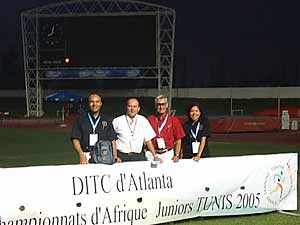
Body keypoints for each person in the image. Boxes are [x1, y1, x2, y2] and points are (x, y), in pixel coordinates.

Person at [71, 93, 119, 164]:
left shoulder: (107, 119)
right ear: (88, 103)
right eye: (92, 102)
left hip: (104, 155)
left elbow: (113, 140)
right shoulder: (81, 119)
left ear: (101, 104)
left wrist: (115, 157)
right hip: (86, 154)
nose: (94, 104)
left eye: (97, 102)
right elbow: (75, 138)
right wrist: (81, 154)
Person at [112, 98, 159, 162]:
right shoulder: (117, 121)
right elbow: (112, 140)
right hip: (121, 156)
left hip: (138, 156)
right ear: (126, 107)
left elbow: (148, 141)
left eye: (134, 106)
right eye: (130, 106)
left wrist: (155, 156)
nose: (132, 109)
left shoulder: (143, 120)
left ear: (138, 108)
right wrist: (115, 157)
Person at [147, 95, 185, 162]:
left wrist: (176, 155)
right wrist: (154, 155)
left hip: (167, 154)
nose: (161, 107)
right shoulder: (150, 119)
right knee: (152, 172)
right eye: (159, 105)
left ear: (167, 105)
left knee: (167, 172)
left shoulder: (174, 120)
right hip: (152, 154)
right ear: (156, 106)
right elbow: (147, 139)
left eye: (163, 104)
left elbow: (179, 139)